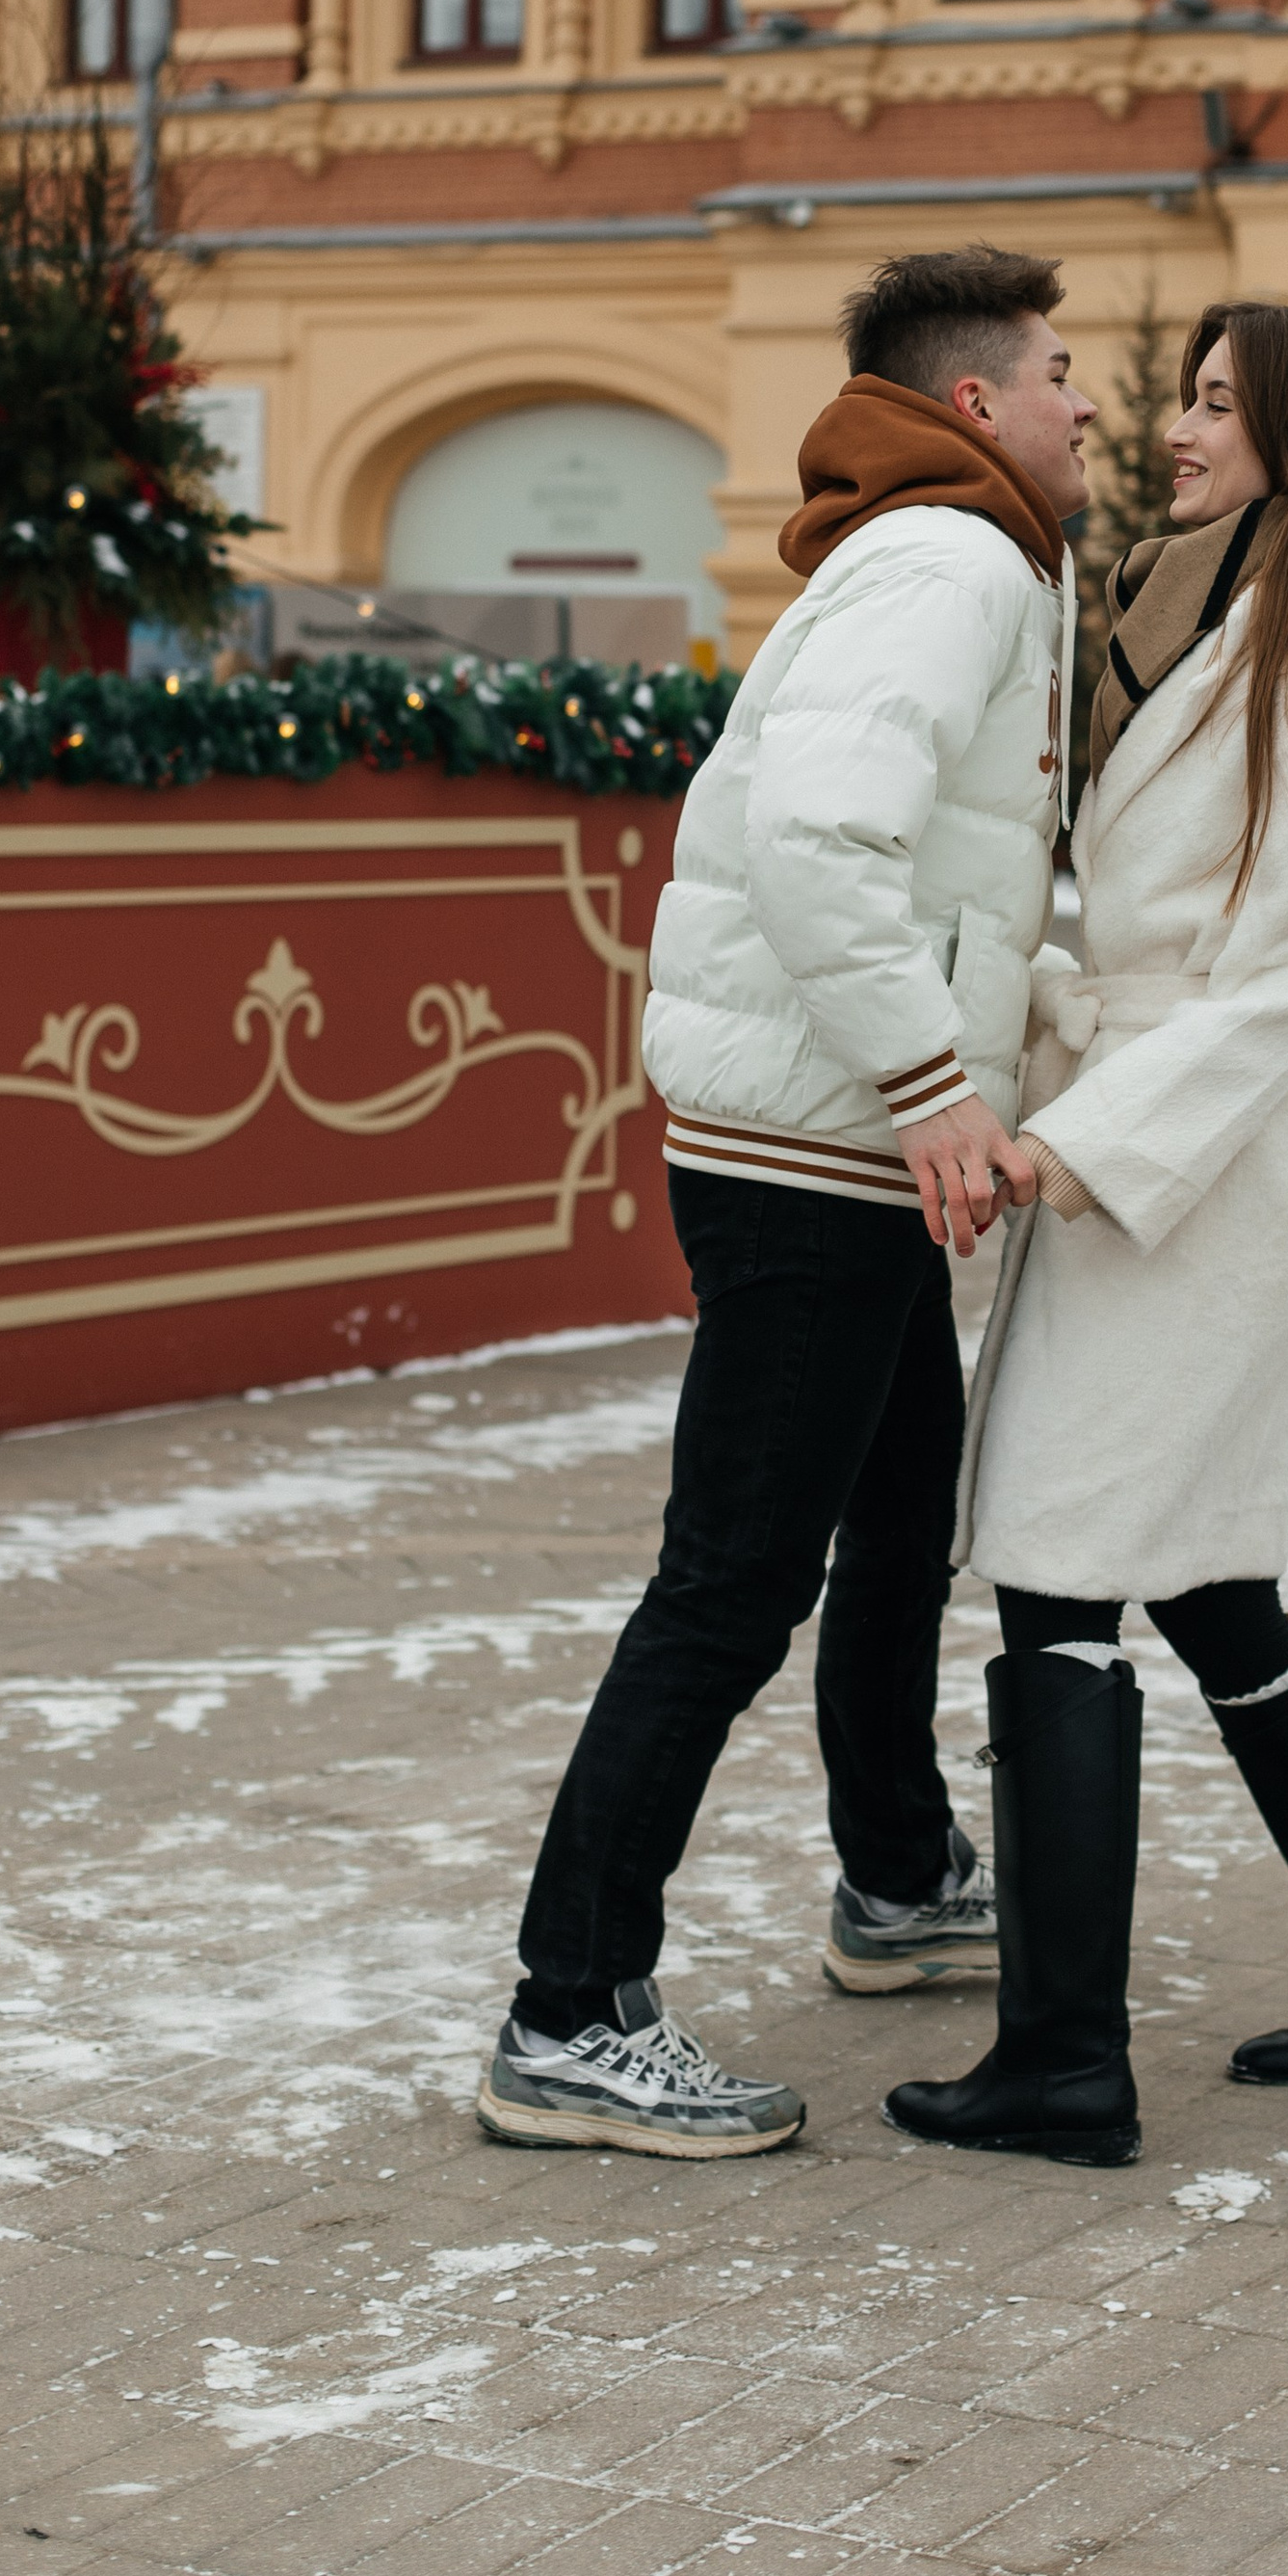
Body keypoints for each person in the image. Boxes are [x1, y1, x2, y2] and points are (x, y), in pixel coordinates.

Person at [475, 245, 1093, 2161]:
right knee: (734, 1576)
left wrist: (1013, 1029)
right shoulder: (955, 560)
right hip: (817, 1150)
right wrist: (929, 1088)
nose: (1091, 404)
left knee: (896, 1527)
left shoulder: (940, 547)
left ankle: (897, 1881)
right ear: (977, 401)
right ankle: (566, 2012)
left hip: (834, 1141)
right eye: (1062, 372)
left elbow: (921, 869)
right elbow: (825, 841)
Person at [888, 301, 1288, 2170]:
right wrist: (1043, 1019)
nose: (1173, 428)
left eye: (1216, 406)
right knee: (1206, 1576)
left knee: (1064, 1572)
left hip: (1210, 1166)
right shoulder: (1216, 611)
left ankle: (1063, 2062)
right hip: (1183, 1138)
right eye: (1182, 398)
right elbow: (1167, 952)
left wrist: (1086, 1142)